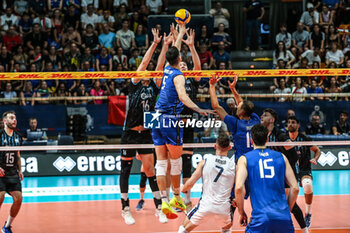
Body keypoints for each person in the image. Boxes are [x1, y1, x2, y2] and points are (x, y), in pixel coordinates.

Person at [152, 24, 213, 220]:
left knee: (161, 163)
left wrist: (178, 34)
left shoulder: (167, 68)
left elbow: (175, 51)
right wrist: (199, 109)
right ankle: (177, 197)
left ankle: (163, 201)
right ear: (180, 59)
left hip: (156, 117)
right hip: (171, 119)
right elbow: (184, 98)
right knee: (176, 161)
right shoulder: (178, 76)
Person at [120, 28, 167, 225]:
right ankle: (125, 208)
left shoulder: (154, 85)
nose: (148, 70)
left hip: (146, 133)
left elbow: (159, 64)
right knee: (126, 169)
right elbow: (145, 63)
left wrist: (165, 45)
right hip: (130, 133)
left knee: (150, 170)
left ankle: (159, 207)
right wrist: (155, 43)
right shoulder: (135, 83)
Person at [235, 124, 299, 233]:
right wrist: (287, 209)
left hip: (261, 220)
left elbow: (239, 188)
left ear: (251, 140)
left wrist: (241, 212)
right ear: (267, 139)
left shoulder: (244, 159)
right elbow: (295, 188)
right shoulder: (281, 157)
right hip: (284, 218)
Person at [260, 108, 309, 233]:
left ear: (271, 120)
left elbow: (289, 144)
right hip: (272, 172)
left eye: (265, 115)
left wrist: (287, 143)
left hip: (287, 172)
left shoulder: (279, 134)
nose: (261, 116)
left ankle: (303, 229)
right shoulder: (261, 133)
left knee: (289, 205)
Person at [178, 133, 235, 233]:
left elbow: (190, 183)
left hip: (205, 206)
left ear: (215, 146)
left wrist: (183, 190)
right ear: (229, 147)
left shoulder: (206, 160)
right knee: (226, 229)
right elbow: (239, 187)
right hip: (224, 208)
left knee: (184, 228)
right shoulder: (234, 165)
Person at [209, 75, 260, 161]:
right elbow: (243, 104)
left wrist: (212, 86)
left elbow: (216, 106)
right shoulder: (256, 119)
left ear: (242, 112)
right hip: (256, 159)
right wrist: (233, 89)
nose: (236, 106)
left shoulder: (235, 123)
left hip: (242, 160)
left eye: (238, 107)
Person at [287, 116, 321, 228]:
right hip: (289, 170)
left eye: (293, 122)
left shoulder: (305, 139)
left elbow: (317, 150)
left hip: (304, 169)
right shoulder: (284, 139)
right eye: (289, 123)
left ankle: (308, 213)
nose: (290, 124)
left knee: (308, 186)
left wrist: (315, 159)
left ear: (298, 125)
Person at [0, 111, 24, 233]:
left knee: (18, 198)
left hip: (12, 173)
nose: (14, 120)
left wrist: (20, 170)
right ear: (5, 121)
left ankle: (7, 226)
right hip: (0, 173)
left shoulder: (18, 137)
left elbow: (18, 155)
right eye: (11, 118)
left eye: (15, 118)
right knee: (0, 196)